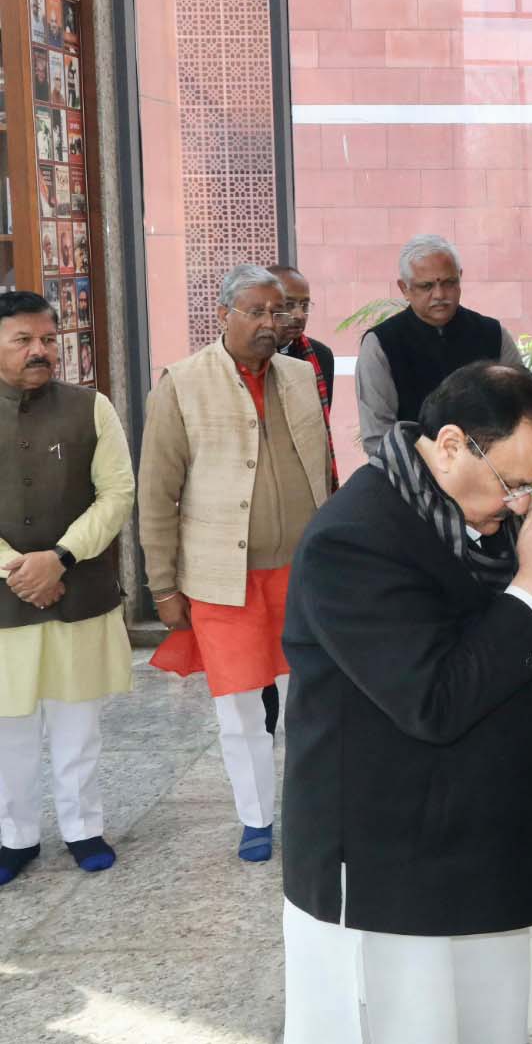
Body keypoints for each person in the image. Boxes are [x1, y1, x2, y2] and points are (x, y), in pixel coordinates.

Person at [280, 362, 532, 1044]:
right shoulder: (355, 538)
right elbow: (434, 698)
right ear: (451, 444)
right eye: (514, 483)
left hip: (481, 838)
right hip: (392, 862)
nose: (521, 504)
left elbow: (522, 619)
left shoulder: (463, 504)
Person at [139, 264, 330, 863]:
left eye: (280, 313)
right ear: (223, 315)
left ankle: (314, 808)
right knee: (241, 707)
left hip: (302, 573)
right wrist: (164, 587)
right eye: (258, 312)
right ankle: (255, 819)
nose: (273, 324)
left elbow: (323, 473)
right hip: (223, 580)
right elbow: (156, 493)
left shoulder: (300, 377)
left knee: (315, 699)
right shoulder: (182, 383)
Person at [0, 291, 134, 885]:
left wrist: (58, 558)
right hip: (4, 597)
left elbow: (117, 494)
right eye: (23, 341)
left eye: (48, 340)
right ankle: (14, 837)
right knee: (10, 728)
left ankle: (84, 829)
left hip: (77, 589)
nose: (40, 351)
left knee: (78, 723)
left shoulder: (91, 407)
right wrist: (17, 569)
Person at [250, 263, 338, 738]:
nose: (297, 315)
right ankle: (264, 723)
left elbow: (318, 438)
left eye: (305, 305)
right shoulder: (234, 360)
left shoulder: (317, 358)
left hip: (309, 505)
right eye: (286, 305)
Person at [356, 234, 525, 459]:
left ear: (460, 279)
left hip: (487, 477)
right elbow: (379, 437)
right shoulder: (381, 345)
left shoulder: (492, 334)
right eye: (426, 286)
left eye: (449, 283)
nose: (439, 295)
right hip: (412, 480)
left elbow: (522, 408)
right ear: (404, 288)